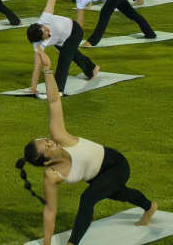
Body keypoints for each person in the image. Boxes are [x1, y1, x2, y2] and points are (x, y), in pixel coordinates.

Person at [15, 48, 157, 245]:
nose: (50, 141)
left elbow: (54, 101)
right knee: (121, 194)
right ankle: (150, 207)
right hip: (98, 177)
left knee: (88, 198)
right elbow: (50, 210)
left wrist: (47, 69)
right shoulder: (51, 176)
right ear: (46, 162)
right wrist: (46, 243)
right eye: (47, 146)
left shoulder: (60, 136)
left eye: (45, 140)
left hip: (115, 164)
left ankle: (72, 243)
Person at [26, 0, 98, 94]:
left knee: (64, 59)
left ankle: (58, 91)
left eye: (45, 29)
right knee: (72, 53)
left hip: (74, 30)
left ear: (41, 25)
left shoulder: (45, 19)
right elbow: (37, 67)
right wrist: (33, 88)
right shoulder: (38, 46)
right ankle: (92, 69)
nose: (48, 31)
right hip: (61, 38)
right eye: (46, 34)